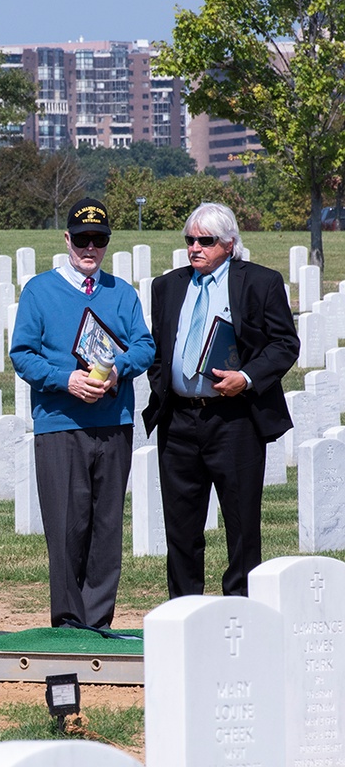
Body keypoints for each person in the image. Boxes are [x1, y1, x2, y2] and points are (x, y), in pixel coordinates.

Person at [10, 198, 154, 629]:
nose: (90, 249)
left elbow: (144, 346)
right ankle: (69, 622)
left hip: (114, 423)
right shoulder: (39, 291)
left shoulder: (121, 293)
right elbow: (22, 355)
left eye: (100, 240)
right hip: (60, 424)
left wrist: (117, 373)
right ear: (67, 239)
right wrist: (65, 380)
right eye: (83, 240)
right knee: (67, 528)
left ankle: (99, 622)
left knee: (107, 529)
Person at [143, 202, 299, 598]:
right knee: (180, 528)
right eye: (190, 240)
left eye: (205, 241)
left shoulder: (260, 282)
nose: (195, 248)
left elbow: (284, 344)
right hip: (178, 420)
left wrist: (245, 378)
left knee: (242, 525)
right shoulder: (168, 286)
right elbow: (160, 349)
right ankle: (183, 610)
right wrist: (166, 384)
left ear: (228, 244)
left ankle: (240, 611)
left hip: (235, 419)